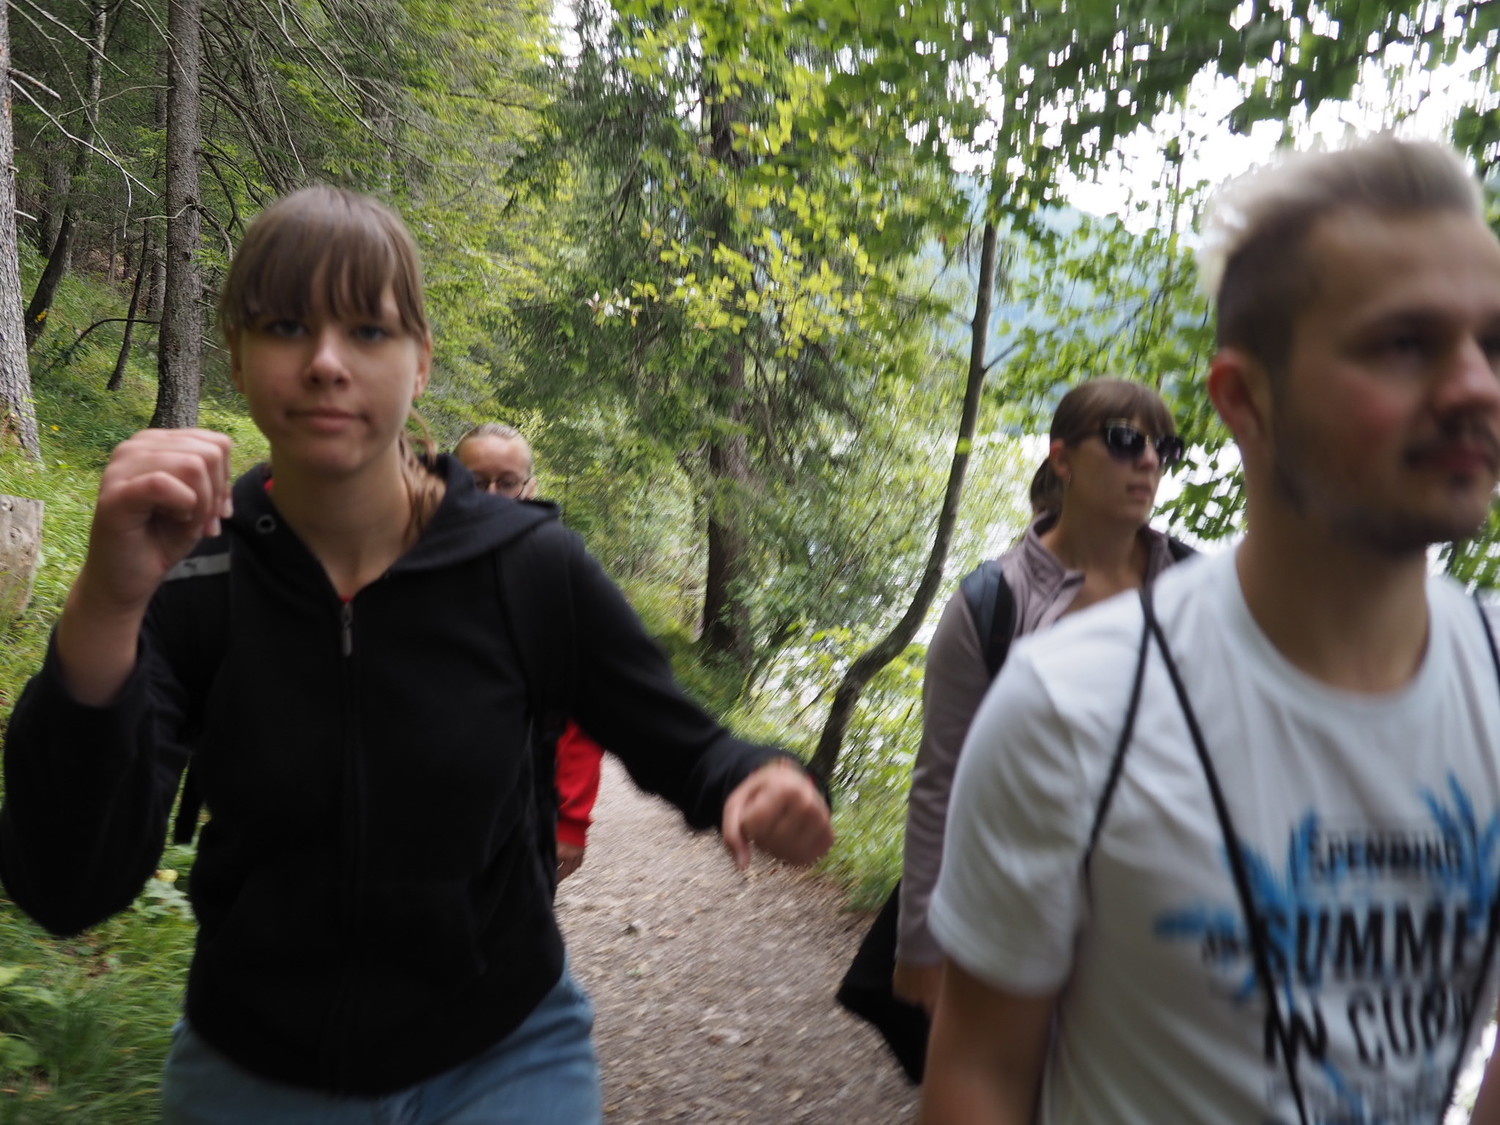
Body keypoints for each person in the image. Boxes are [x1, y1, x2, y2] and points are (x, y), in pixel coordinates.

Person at [0, 186, 832, 1125]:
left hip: (505, 1050)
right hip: (257, 1065)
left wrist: (755, 779)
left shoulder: (529, 566)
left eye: (368, 330)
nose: (326, 362)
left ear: (421, 362)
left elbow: (688, 744)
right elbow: (65, 884)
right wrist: (108, 600)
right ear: (236, 352)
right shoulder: (191, 568)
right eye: (285, 326)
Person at [920, 135, 1500, 1125]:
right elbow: (980, 1070)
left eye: (1494, 344)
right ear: (1247, 399)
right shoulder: (1071, 707)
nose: (1475, 386)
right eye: (1403, 343)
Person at [893, 379, 1187, 1018]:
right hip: (1019, 916)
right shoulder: (991, 604)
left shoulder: (1199, 591)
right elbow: (942, 782)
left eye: (1165, 447)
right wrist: (919, 942)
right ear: (1063, 458)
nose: (1149, 461)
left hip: (1163, 923)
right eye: (1125, 440)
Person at [455, 423, 604, 882]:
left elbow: (584, 707)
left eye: (507, 482)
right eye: (476, 482)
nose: (492, 495)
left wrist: (570, 818)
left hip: (523, 812)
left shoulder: (559, 573)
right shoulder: (412, 561)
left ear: (530, 488)